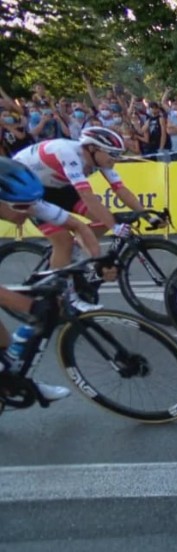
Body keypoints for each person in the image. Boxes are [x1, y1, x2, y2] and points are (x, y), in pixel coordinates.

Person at [0, 157, 108, 401]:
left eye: (32, 205)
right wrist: (31, 307)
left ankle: (13, 382)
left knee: (3, 344)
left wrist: (99, 261)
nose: (29, 212)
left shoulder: (27, 203)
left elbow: (80, 227)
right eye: (21, 207)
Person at [12, 127, 152, 311]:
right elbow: (87, 195)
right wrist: (115, 228)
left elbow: (120, 189)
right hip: (26, 189)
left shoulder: (100, 159)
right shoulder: (67, 152)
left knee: (104, 219)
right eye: (112, 154)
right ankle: (65, 298)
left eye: (118, 154)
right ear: (93, 148)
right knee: (64, 241)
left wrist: (147, 214)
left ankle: (76, 248)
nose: (116, 159)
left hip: (56, 187)